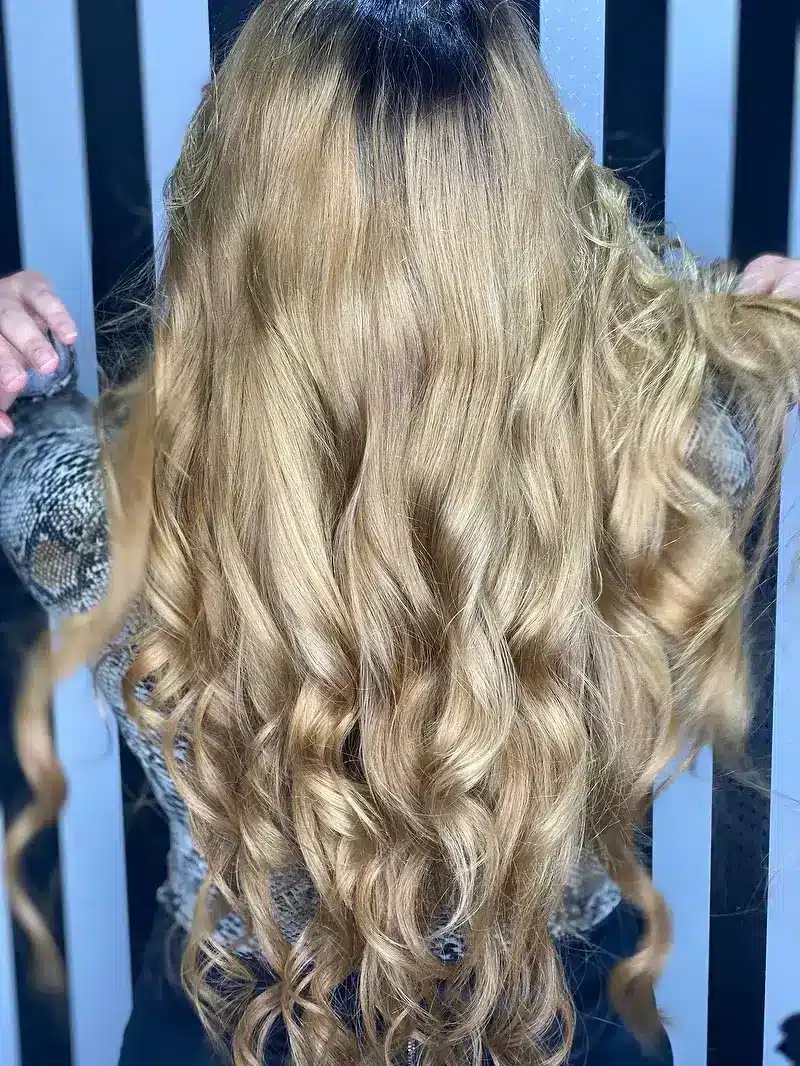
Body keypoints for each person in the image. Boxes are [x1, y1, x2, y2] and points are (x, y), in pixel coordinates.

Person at [2, 2, 800, 1064]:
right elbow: (721, 356)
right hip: (556, 1017)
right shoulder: (683, 447)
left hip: (233, 1016)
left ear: (233, 185)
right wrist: (760, 340)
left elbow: (34, 431)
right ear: (532, 187)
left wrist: (21, 365)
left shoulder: (81, 502)